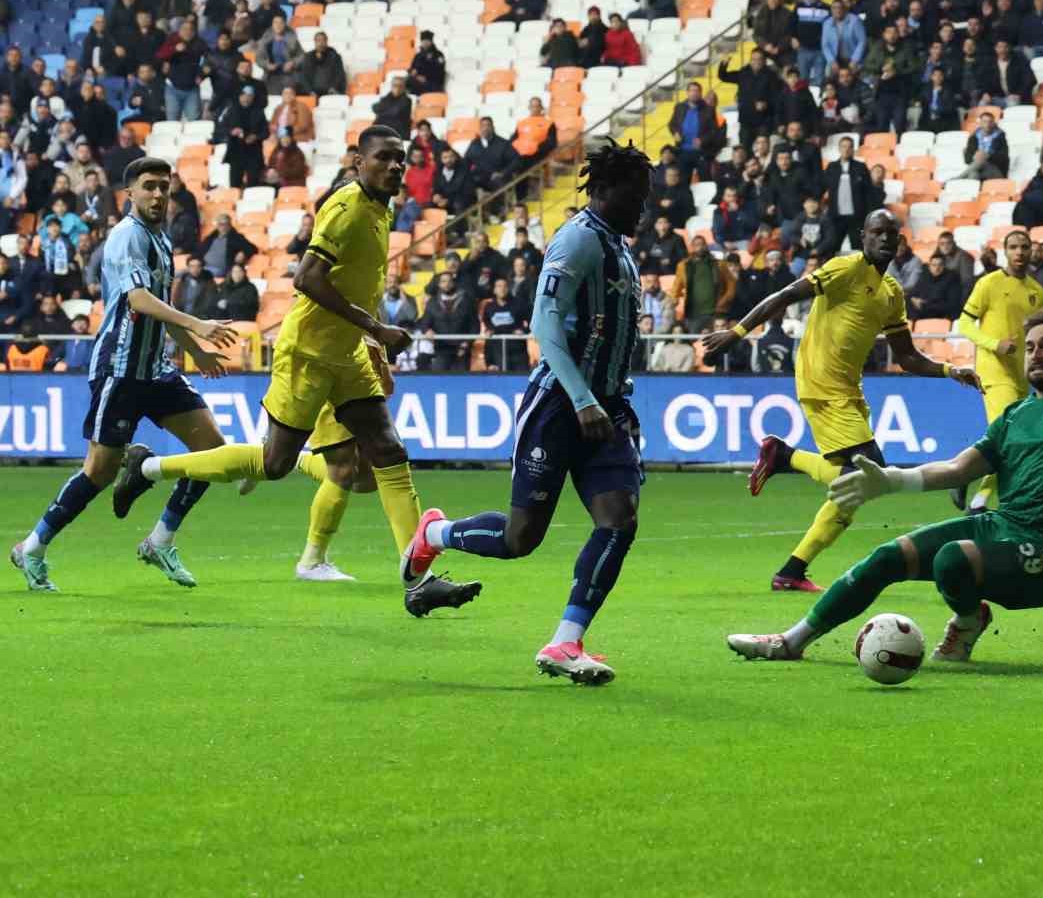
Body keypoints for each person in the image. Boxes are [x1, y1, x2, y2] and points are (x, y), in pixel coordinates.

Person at [111, 127, 479, 618]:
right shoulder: (345, 208)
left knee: (388, 450)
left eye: (401, 160)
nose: (395, 167)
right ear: (356, 161)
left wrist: (373, 345)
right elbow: (306, 278)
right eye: (384, 159)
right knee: (276, 462)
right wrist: (377, 328)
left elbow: (362, 285)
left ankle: (419, 578)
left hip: (346, 354)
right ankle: (149, 467)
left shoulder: (382, 208)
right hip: (306, 353)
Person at [727, 310, 1043, 664]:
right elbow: (958, 468)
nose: (1037, 355)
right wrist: (891, 480)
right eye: (1030, 348)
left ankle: (968, 621)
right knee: (886, 557)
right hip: (1000, 526)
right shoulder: (1015, 414)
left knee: (952, 559)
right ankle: (790, 642)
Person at [399, 142, 652, 684]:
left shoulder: (621, 248)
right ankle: (434, 535)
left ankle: (565, 642)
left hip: (607, 407)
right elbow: (545, 325)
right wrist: (582, 398)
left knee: (619, 521)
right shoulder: (579, 239)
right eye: (636, 196)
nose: (643, 208)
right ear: (604, 190)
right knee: (521, 540)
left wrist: (606, 400)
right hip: (561, 403)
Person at [704, 210, 982, 592]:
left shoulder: (891, 293)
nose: (884, 239)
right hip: (821, 381)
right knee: (868, 476)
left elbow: (907, 357)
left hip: (849, 388)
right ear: (863, 236)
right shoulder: (844, 268)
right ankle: (791, 567)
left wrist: (952, 371)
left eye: (891, 234)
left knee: (858, 480)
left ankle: (784, 462)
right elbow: (785, 295)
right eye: (877, 232)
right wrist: (737, 333)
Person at [10, 158, 240, 593]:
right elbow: (138, 299)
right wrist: (198, 324)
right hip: (119, 370)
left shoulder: (162, 239)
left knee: (211, 453)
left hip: (157, 369)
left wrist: (194, 351)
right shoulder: (125, 238)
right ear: (129, 193)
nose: (158, 195)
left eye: (164, 188)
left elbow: (159, 307)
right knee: (98, 472)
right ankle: (32, 548)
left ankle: (160, 540)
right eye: (149, 187)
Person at [956, 229, 1043, 514]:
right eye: (1014, 247)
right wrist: (994, 344)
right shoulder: (989, 284)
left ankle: (962, 473)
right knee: (1010, 435)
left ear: (1031, 251)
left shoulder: (1036, 291)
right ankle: (980, 501)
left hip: (1021, 376)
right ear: (1005, 252)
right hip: (993, 372)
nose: (1019, 252)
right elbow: (965, 323)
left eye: (1024, 247)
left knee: (1003, 437)